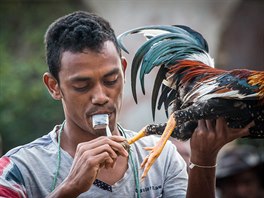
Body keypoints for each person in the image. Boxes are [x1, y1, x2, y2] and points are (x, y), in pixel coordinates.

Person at [0, 11, 253, 198]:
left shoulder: (161, 157)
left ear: (123, 70)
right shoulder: (19, 169)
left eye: (111, 80)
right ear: (54, 86)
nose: (101, 96)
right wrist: (70, 187)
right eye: (82, 85)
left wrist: (204, 159)